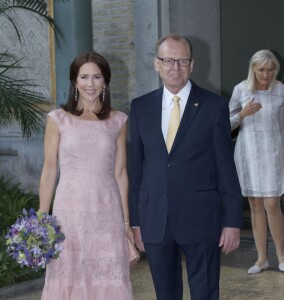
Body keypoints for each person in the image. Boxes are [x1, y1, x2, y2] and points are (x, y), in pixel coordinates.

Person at [129, 33, 243, 300]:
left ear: (192, 64)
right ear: (156, 64)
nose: (175, 67)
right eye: (168, 60)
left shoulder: (214, 107)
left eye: (182, 61)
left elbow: (227, 169)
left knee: (204, 293)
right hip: (155, 219)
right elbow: (137, 168)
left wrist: (232, 222)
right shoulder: (140, 107)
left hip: (202, 219)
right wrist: (136, 221)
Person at [39, 52, 133, 299]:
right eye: (84, 77)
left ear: (105, 81)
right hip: (68, 213)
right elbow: (49, 170)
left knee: (109, 276)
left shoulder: (118, 120)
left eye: (96, 77)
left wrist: (126, 222)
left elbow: (121, 173)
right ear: (74, 81)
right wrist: (41, 217)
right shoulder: (58, 119)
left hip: (107, 211)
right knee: (68, 274)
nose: (90, 84)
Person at [229, 49, 284, 274]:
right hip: (248, 153)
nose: (266, 74)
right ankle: (261, 259)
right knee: (255, 205)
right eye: (261, 69)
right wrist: (242, 114)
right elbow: (226, 123)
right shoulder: (241, 90)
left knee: (272, 203)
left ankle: (281, 255)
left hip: (273, 152)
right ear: (253, 68)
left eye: (271, 70)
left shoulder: (281, 90)